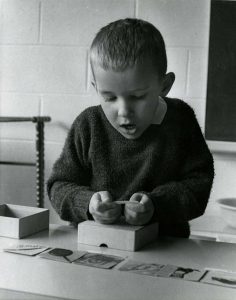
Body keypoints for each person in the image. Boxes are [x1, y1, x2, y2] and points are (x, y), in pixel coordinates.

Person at [47, 18, 214, 238]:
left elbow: (198, 184)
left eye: (137, 97)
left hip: (165, 250)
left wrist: (157, 205)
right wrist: (88, 203)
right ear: (96, 88)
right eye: (109, 97)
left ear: (164, 86)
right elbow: (59, 186)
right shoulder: (88, 124)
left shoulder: (180, 120)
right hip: (96, 247)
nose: (124, 111)